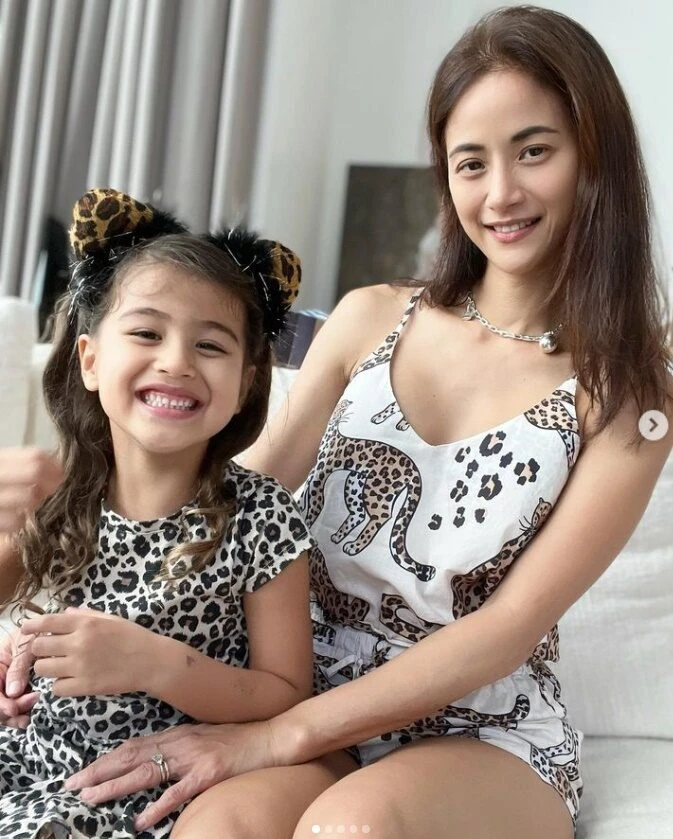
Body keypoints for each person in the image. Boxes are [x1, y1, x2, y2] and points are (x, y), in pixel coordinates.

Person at [2, 6, 673, 837]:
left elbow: (504, 631)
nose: (500, 192)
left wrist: (273, 737)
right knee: (215, 829)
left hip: (477, 729)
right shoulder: (370, 318)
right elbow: (227, 498)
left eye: (533, 151)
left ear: (594, 156)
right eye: (470, 162)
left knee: (349, 828)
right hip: (296, 688)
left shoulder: (627, 393)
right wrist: (62, 567)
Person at [0, 188, 315, 838]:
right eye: (146, 333)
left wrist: (153, 663)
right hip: (29, 763)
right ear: (90, 360)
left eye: (210, 346)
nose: (175, 361)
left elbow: (286, 692)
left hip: (145, 792)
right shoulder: (57, 497)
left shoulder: (262, 517)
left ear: (246, 382)